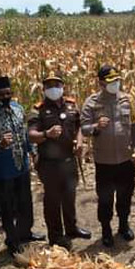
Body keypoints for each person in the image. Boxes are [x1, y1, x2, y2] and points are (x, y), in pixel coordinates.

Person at [28, 71, 91, 250]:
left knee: (69, 197)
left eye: (57, 85)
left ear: (63, 87)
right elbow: (31, 135)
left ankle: (71, 228)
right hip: (49, 164)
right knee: (53, 201)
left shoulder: (71, 106)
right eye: (49, 86)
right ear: (44, 89)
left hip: (69, 161)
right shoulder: (38, 109)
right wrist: (46, 134)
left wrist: (80, 143)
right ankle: (55, 236)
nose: (53, 89)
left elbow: (78, 127)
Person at [81, 65, 135, 247]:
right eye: (110, 81)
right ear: (100, 83)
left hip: (126, 159)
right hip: (104, 161)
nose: (115, 84)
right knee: (105, 198)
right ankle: (106, 229)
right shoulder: (91, 103)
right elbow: (83, 129)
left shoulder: (127, 100)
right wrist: (95, 127)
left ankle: (123, 225)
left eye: (117, 80)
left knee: (125, 195)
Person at [0, 76, 45, 256]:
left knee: (25, 203)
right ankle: (12, 240)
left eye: (8, 93)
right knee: (8, 207)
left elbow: (24, 133)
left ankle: (26, 232)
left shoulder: (18, 108)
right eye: (1, 94)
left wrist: (32, 151)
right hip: (3, 170)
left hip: (22, 166)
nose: (6, 96)